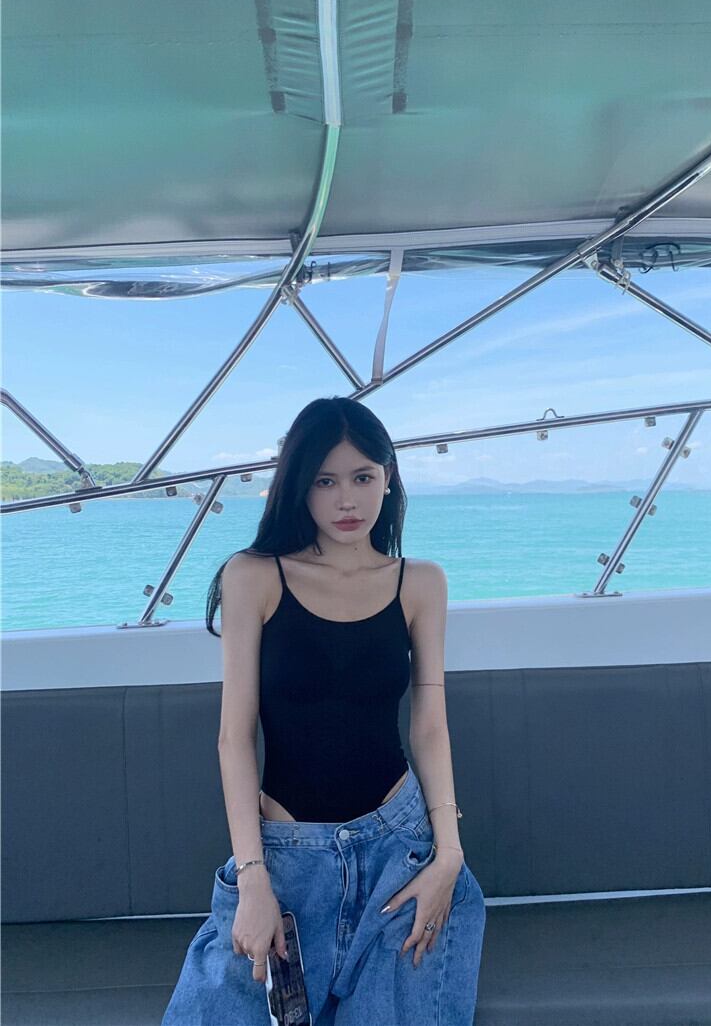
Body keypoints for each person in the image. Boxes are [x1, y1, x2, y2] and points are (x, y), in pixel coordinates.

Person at [161, 396, 486, 1026]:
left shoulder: (421, 582)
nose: (346, 501)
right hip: (285, 857)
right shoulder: (254, 576)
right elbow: (234, 738)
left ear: (388, 479)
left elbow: (429, 725)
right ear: (299, 487)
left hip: (400, 855)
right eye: (324, 481)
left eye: (362, 477)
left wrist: (448, 854)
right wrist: (253, 877)